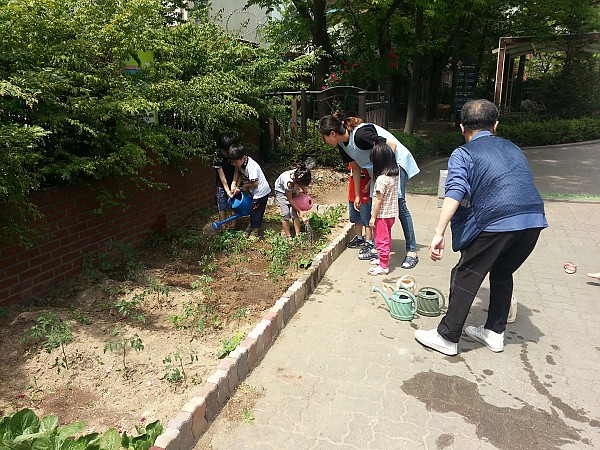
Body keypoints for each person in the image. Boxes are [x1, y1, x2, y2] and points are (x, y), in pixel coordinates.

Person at [414, 99, 548, 356]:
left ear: (462, 127)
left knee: (465, 273)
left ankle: (447, 336)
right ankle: (495, 333)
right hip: (533, 220)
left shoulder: (463, 153)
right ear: (495, 125)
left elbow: (454, 191)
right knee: (502, 272)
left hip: (497, 221)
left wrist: (438, 233)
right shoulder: (512, 147)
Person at [319, 115, 420, 269]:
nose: (324, 141)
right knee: (376, 208)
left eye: (324, 137)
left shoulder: (360, 135)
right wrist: (358, 194)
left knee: (400, 206)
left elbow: (391, 146)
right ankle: (380, 248)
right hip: (379, 170)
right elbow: (356, 167)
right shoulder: (342, 145)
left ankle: (412, 250)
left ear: (332, 133)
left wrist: (384, 177)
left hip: (394, 164)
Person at [366, 138, 399, 276]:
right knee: (386, 237)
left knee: (381, 240)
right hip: (391, 214)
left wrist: (373, 217)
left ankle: (384, 266)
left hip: (382, 215)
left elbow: (378, 200)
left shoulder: (382, 179)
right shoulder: (394, 175)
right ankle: (381, 259)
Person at [229, 144, 272, 240]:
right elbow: (238, 172)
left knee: (256, 212)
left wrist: (244, 187)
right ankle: (249, 228)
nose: (235, 164)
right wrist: (234, 184)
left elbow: (255, 183)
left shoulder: (250, 167)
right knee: (252, 210)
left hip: (261, 192)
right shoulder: (240, 163)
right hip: (254, 191)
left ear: (243, 158)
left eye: (236, 162)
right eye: (233, 163)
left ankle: (255, 233)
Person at [274, 164, 312, 238]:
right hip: (281, 192)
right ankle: (288, 236)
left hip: (292, 190)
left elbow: (301, 183)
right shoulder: (289, 182)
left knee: (294, 213)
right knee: (286, 213)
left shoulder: (300, 173)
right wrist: (300, 211)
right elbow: (290, 199)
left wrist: (304, 189)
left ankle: (298, 235)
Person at [212, 132, 238, 232]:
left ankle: (233, 225)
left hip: (233, 184)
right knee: (222, 205)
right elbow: (221, 176)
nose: (228, 155)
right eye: (226, 152)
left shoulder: (234, 154)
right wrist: (227, 190)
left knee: (234, 204)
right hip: (221, 185)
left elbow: (237, 170)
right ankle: (223, 226)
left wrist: (234, 184)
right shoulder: (217, 156)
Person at [345, 162, 373, 249]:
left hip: (365, 195)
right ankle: (359, 237)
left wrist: (368, 185)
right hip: (353, 194)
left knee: (366, 219)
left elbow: (374, 175)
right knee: (356, 219)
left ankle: (368, 241)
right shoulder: (352, 162)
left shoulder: (367, 162)